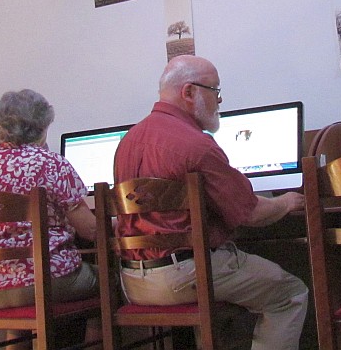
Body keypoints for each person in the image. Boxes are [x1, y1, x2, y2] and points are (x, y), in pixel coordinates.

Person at [114, 55, 309, 350]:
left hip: (133, 281)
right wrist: (286, 202)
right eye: (215, 90)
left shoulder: (127, 142)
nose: (220, 100)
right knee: (290, 293)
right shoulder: (196, 145)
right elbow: (251, 214)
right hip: (184, 276)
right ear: (189, 92)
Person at [0, 89, 100, 349]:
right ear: (41, 127)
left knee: (23, 305)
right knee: (109, 281)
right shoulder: (52, 163)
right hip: (43, 283)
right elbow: (89, 230)